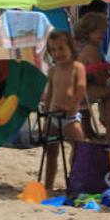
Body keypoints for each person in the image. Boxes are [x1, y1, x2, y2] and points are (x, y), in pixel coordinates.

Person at [40, 30, 87, 191]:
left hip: (70, 117)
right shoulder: (53, 70)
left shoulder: (77, 67)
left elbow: (81, 89)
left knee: (79, 148)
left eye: (61, 48)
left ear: (71, 47)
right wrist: (45, 114)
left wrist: (72, 105)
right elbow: (50, 93)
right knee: (51, 153)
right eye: (53, 50)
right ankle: (48, 186)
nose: (57, 53)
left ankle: (74, 181)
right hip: (53, 117)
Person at [75, 12, 110, 141]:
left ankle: (87, 130)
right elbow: (101, 80)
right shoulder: (92, 49)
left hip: (67, 87)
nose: (103, 35)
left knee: (90, 89)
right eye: (100, 32)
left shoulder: (77, 44)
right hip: (77, 92)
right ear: (89, 31)